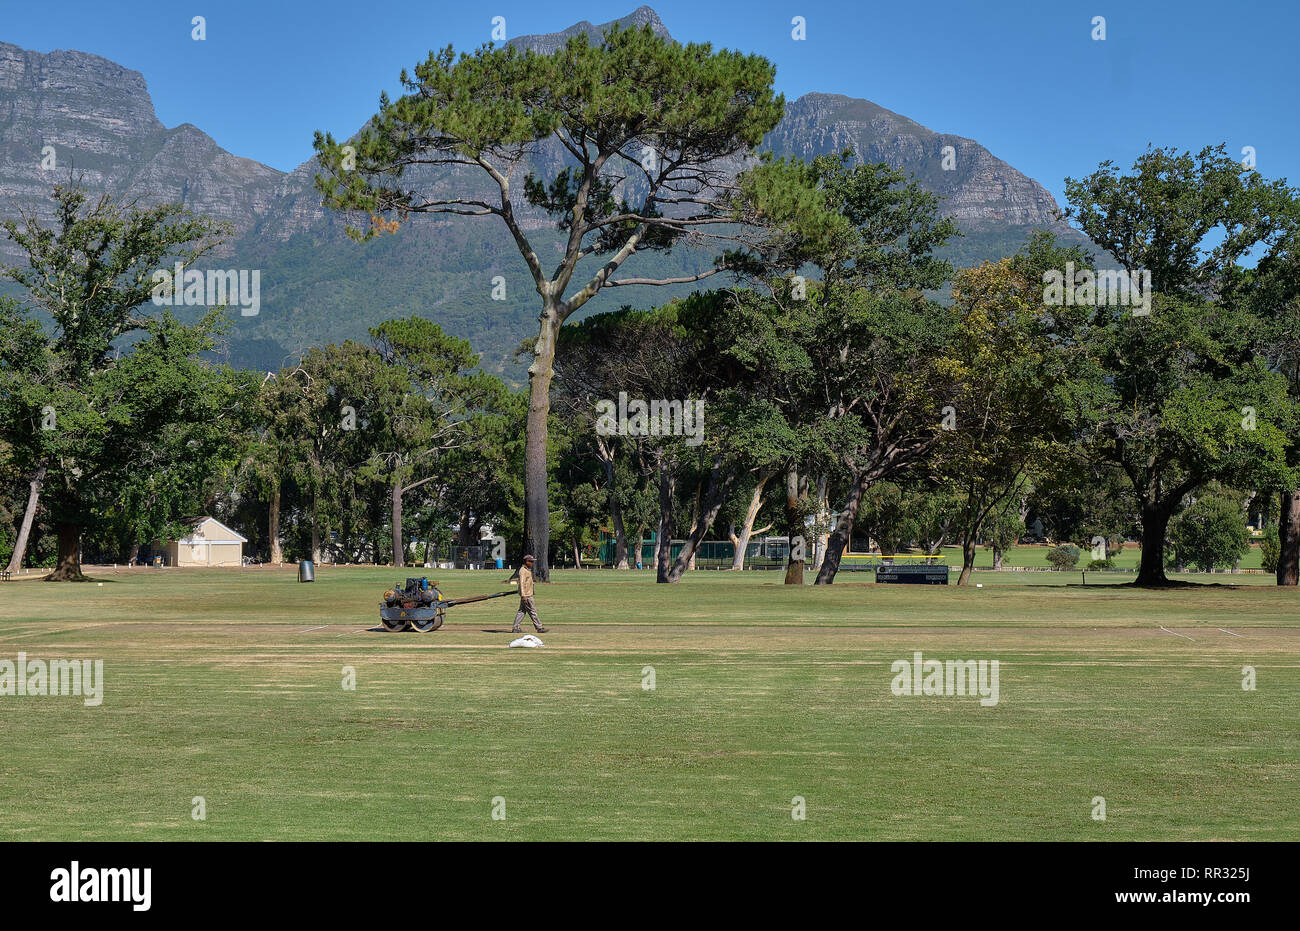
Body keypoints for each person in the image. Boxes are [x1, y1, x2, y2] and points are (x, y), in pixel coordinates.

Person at [510, 554, 548, 634]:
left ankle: (515, 628)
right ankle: (539, 628)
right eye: (531, 561)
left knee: (522, 611)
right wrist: (523, 595)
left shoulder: (526, 570)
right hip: (527, 595)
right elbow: (522, 583)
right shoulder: (523, 571)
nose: (532, 563)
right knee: (532, 611)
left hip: (527, 594)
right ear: (526, 561)